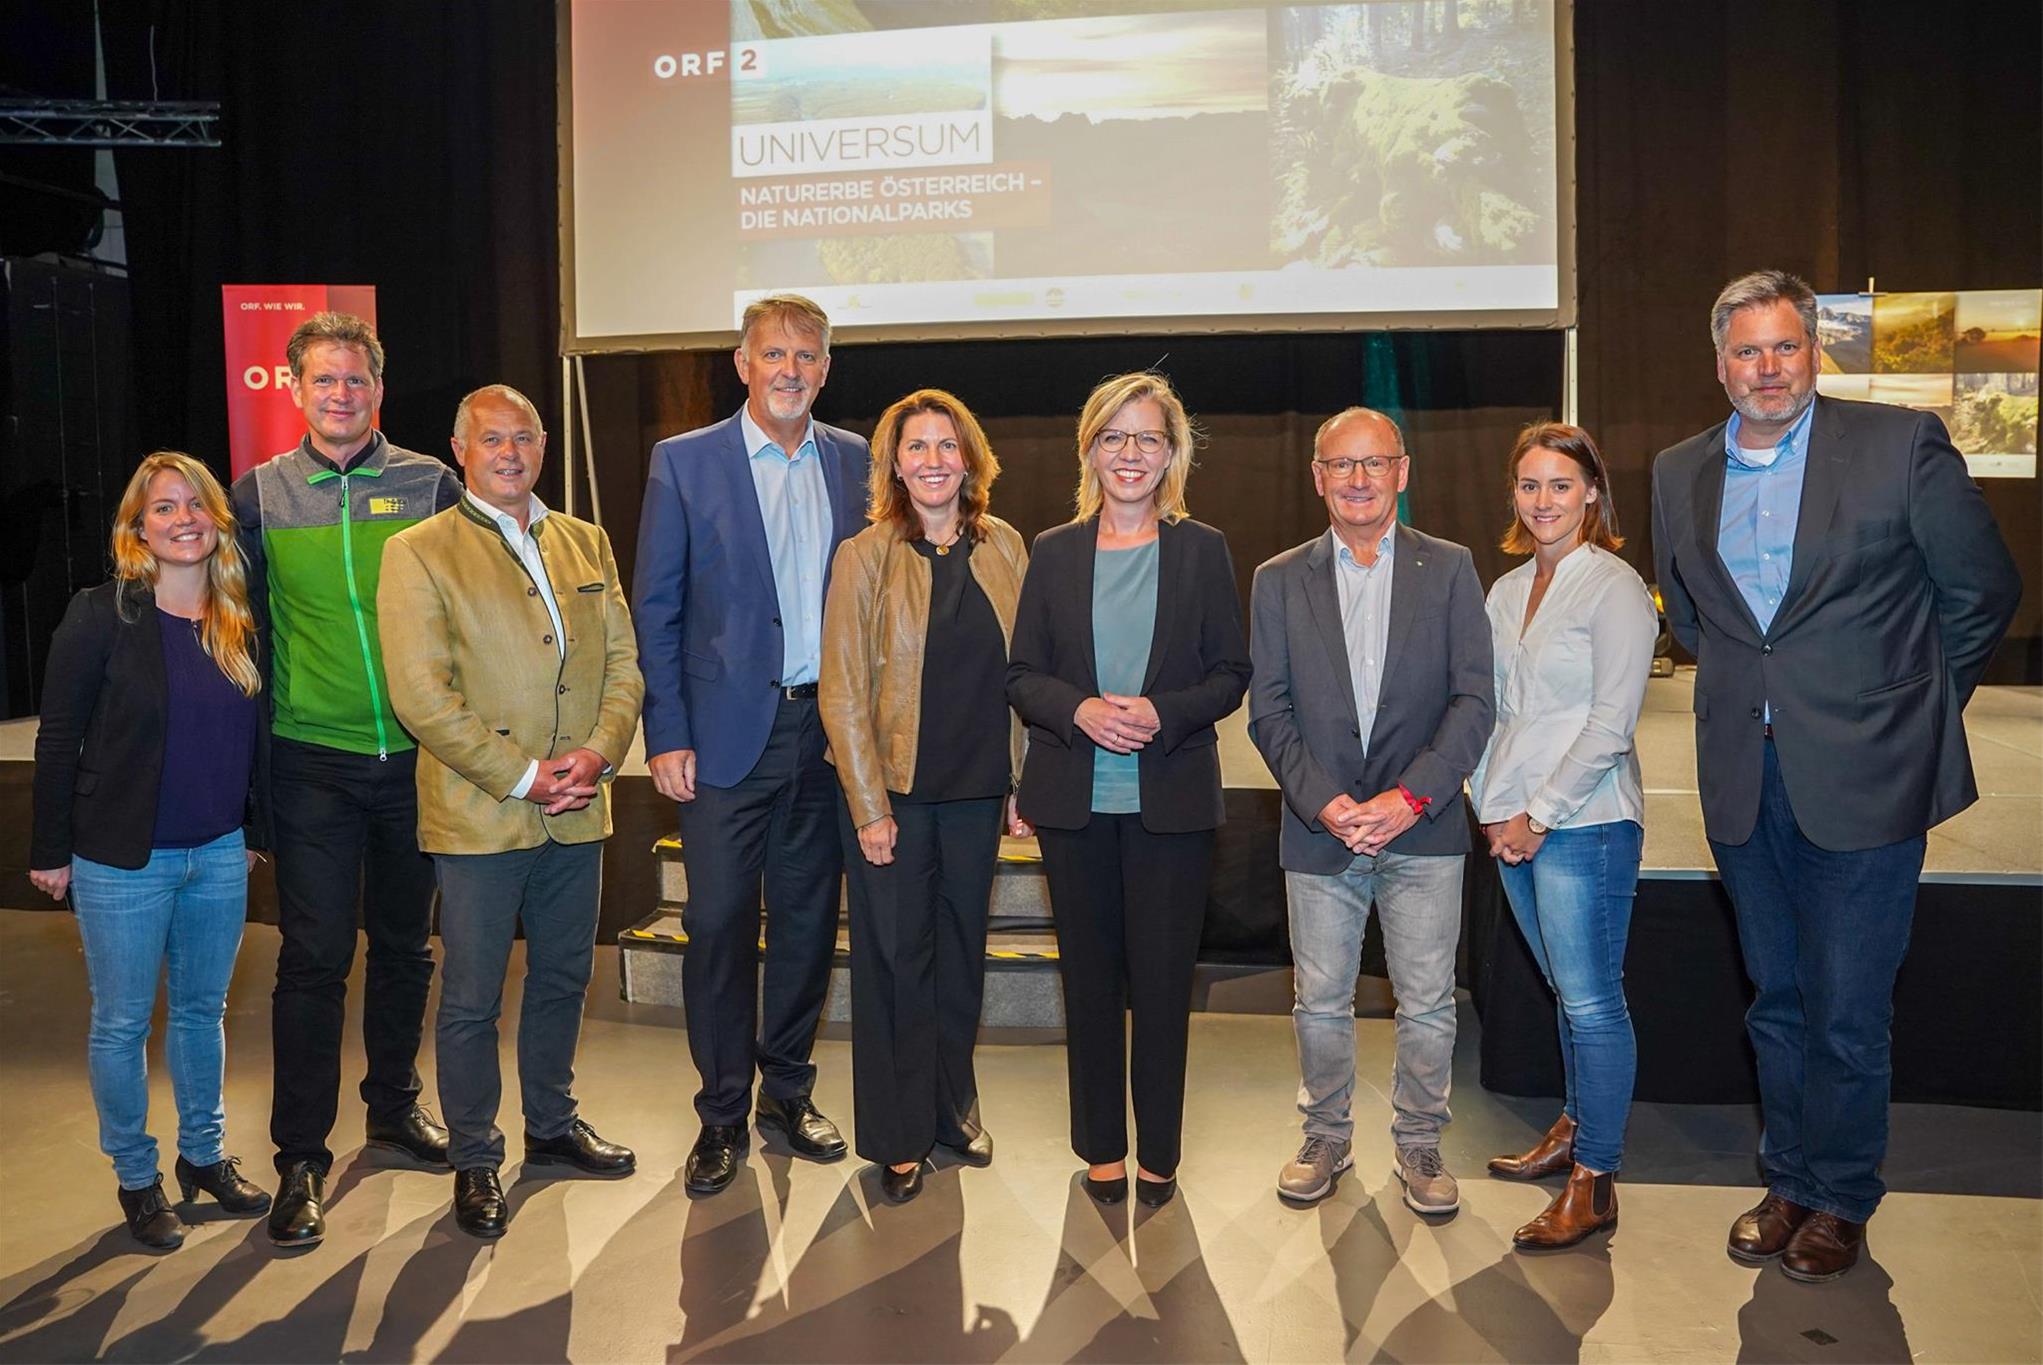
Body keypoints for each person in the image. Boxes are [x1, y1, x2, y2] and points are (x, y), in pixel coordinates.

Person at [1651, 270, 2020, 1281]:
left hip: (1869, 777)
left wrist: (1911, 712)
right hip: (1741, 775)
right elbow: (1694, 619)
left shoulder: (1898, 447)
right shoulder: (1679, 469)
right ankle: (1788, 1178)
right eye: (1746, 351)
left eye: (1786, 348)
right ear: (1718, 360)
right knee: (1776, 997)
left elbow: (1981, 591)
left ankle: (1843, 1196)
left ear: (1815, 353)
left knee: (1848, 1006)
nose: (1767, 370)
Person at [378, 385, 645, 1239]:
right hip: (482, 814)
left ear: (542, 446)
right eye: (491, 438)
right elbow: (421, 696)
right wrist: (526, 775)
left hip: (579, 809)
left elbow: (624, 665)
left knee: (565, 978)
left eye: (523, 436)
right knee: (471, 998)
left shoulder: (585, 539)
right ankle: (474, 1156)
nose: (509, 451)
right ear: (459, 449)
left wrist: (598, 754)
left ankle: (554, 1126)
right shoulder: (418, 551)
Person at [633, 294, 872, 1194]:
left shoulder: (854, 461)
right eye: (772, 353)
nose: (789, 370)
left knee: (810, 926)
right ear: (742, 363)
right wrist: (668, 731)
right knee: (720, 926)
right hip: (726, 739)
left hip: (827, 735)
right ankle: (722, 1112)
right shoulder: (684, 462)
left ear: (824, 368)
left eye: (805, 355)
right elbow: (655, 608)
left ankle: (788, 1092)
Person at [232, 312, 462, 1246]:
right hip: (310, 760)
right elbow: (234, 626)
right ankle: (301, 1158)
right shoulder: (255, 495)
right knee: (313, 958)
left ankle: (395, 1103)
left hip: (416, 758)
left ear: (377, 384)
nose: (340, 395)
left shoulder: (429, 483)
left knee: (408, 947)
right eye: (323, 381)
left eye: (355, 381)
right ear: (293, 390)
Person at [1007, 371, 1250, 1210]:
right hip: (1074, 807)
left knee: (1159, 990)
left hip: (1170, 809)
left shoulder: (1203, 549)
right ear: (1090, 450)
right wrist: (1078, 710)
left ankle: (1160, 1155)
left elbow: (1230, 673)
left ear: (1171, 452)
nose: (1130, 454)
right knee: (1089, 988)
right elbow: (1022, 674)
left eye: (1147, 438)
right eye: (1114, 437)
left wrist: (1160, 711)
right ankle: (1101, 1150)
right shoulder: (1052, 551)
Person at [1247, 407, 1493, 1215]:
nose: (1357, 479)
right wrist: (1326, 803)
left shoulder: (1451, 567)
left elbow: (1472, 701)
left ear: (1402, 471)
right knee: (1319, 1000)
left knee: (1424, 1001)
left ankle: (1419, 1144)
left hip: (1422, 827)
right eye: (1340, 465)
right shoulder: (1278, 577)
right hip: (1320, 832)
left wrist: (1406, 797)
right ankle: (1325, 1135)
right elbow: (1269, 712)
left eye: (1373, 463)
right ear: (1316, 476)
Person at [30, 452, 274, 1249]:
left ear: (216, 518)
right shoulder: (100, 614)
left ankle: (202, 1156)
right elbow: (60, 737)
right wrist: (51, 848)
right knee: (123, 1023)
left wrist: (248, 834)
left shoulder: (239, 617)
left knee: (205, 1012)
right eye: (162, 509)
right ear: (138, 529)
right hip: (120, 860)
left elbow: (250, 740)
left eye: (194, 504)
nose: (182, 519)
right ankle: (137, 1177)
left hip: (218, 854)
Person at [818, 389, 1031, 1205]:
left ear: (969, 459)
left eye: (949, 445)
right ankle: (898, 1134)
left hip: (979, 795)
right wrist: (869, 806)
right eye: (918, 447)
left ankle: (951, 1109)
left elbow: (1027, 673)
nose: (935, 460)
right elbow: (840, 691)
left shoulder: (1006, 546)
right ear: (894, 463)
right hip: (893, 802)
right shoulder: (863, 555)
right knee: (896, 967)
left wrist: (1022, 778)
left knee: (960, 964)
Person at [1469, 422, 1657, 1250]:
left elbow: (1610, 723)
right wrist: (1488, 805)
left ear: (1590, 493)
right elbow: (1493, 712)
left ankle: (1596, 1179)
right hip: (1510, 823)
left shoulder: (1613, 586)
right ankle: (1574, 1130)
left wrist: (1536, 814)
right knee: (1566, 998)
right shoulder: (1506, 591)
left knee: (1590, 1002)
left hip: (1584, 822)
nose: (1542, 500)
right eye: (1528, 485)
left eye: (1559, 484)